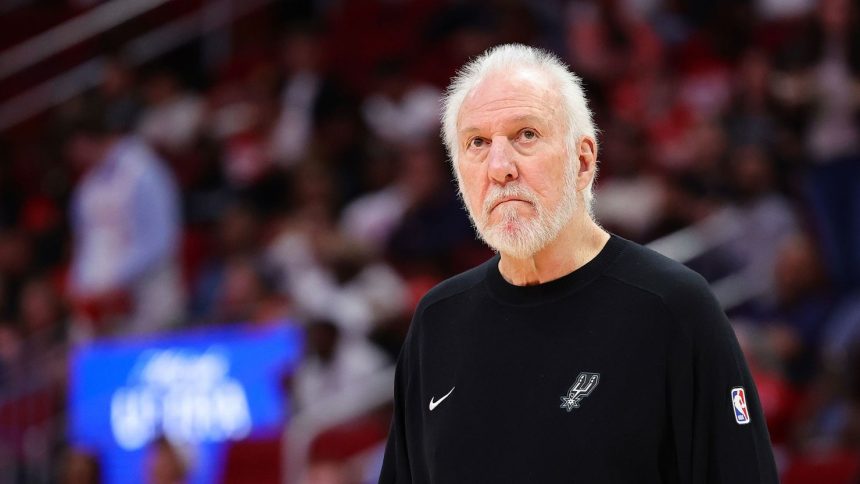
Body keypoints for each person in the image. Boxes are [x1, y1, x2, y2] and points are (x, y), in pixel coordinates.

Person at [378, 44, 778, 483]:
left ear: (583, 160)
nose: (499, 167)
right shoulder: (437, 321)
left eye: (525, 135)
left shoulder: (672, 306)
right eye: (477, 143)